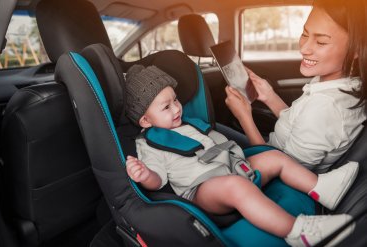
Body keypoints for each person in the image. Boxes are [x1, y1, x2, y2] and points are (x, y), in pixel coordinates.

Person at [124, 64, 357, 247]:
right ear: (145, 120)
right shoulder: (149, 145)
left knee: (273, 157)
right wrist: (144, 174)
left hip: (234, 166)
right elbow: (158, 181)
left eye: (175, 100)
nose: (176, 108)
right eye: (166, 107)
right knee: (235, 186)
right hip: (202, 190)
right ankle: (297, 231)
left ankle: (323, 188)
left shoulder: (187, 124)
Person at [225, 0, 367, 173]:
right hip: (272, 150)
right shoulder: (340, 84)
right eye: (305, 34)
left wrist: (244, 117)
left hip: (271, 178)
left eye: (321, 42)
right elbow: (299, 124)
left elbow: (284, 174)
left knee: (206, 133)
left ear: (357, 49)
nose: (304, 48)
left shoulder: (325, 106)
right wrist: (270, 96)